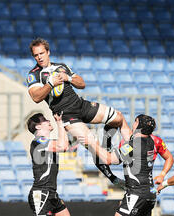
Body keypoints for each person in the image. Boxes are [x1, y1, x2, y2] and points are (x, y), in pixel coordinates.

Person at [26, 38, 130, 187]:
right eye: (36, 55)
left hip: (81, 106)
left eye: (42, 53)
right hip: (67, 116)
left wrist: (68, 78)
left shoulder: (61, 66)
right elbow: (36, 97)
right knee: (100, 152)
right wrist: (50, 84)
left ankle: (132, 146)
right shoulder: (34, 74)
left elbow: (82, 83)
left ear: (48, 52)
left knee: (118, 118)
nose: (39, 57)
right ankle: (114, 176)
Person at [94, 114, 173, 216]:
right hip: (150, 193)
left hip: (136, 192)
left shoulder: (131, 144)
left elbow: (109, 159)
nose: (132, 123)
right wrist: (163, 174)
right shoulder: (153, 141)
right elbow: (169, 157)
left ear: (138, 126)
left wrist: (92, 144)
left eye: (135, 121)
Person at [17, 112, 73, 216]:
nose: (49, 121)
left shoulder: (47, 142)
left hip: (51, 193)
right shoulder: (38, 141)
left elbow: (64, 144)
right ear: (38, 126)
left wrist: (60, 125)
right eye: (45, 120)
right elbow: (63, 146)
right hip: (41, 192)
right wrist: (60, 124)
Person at [121, 133, 174, 216]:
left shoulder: (149, 141)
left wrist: (162, 175)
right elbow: (169, 158)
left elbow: (113, 159)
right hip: (142, 187)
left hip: (138, 188)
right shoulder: (151, 141)